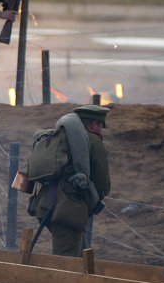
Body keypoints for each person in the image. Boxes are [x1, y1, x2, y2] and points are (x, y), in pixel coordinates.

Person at [29, 104, 111, 257]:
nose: (101, 131)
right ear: (94, 124)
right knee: (65, 265)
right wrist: (94, 197)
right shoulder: (93, 141)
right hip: (68, 211)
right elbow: (102, 183)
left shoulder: (61, 137)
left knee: (80, 259)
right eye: (100, 126)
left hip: (47, 205)